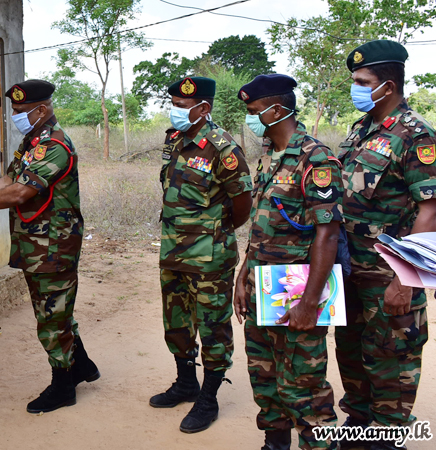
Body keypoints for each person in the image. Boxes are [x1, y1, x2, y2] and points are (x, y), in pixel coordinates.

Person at [0, 79, 99, 414]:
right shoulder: (33, 142)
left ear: (41, 110)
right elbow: (9, 179)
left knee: (51, 317)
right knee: (55, 310)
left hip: (53, 246)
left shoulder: (55, 146)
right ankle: (82, 366)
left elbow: (19, 193)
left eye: (19, 111)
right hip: (37, 245)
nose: (15, 117)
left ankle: (63, 386)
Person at [335, 40, 436, 450]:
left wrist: (406, 278)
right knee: (352, 351)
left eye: (362, 81)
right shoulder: (361, 130)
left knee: (391, 358)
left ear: (388, 86)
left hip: (387, 272)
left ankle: (388, 436)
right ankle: (359, 423)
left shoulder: (416, 135)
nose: (355, 88)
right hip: (350, 268)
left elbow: (430, 211)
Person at [233, 74, 341, 450]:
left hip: (297, 288)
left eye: (253, 111)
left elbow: (327, 234)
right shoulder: (268, 157)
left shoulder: (317, 158)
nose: (250, 118)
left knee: (304, 385)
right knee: (264, 374)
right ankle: (275, 442)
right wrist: (242, 277)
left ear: (277, 110)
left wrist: (309, 302)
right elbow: (262, 226)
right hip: (262, 286)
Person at [149, 77, 252, 434]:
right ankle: (185, 383)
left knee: (212, 327)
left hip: (210, 256)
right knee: (176, 321)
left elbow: (242, 205)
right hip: (173, 249)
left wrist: (218, 231)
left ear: (203, 108)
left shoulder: (224, 149)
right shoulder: (174, 139)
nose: (174, 110)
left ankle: (208, 399)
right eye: (174, 102)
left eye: (181, 104)